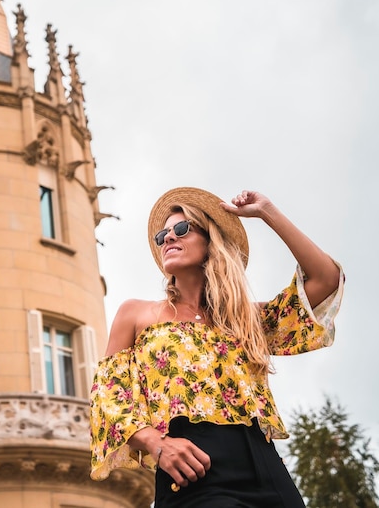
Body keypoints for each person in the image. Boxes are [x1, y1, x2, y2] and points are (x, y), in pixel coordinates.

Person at [89, 187, 344, 508]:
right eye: (161, 235)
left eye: (181, 229)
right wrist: (157, 443)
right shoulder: (136, 313)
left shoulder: (243, 318)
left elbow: (326, 279)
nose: (168, 237)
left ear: (211, 242)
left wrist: (268, 212)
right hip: (191, 466)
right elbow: (109, 398)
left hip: (263, 463)